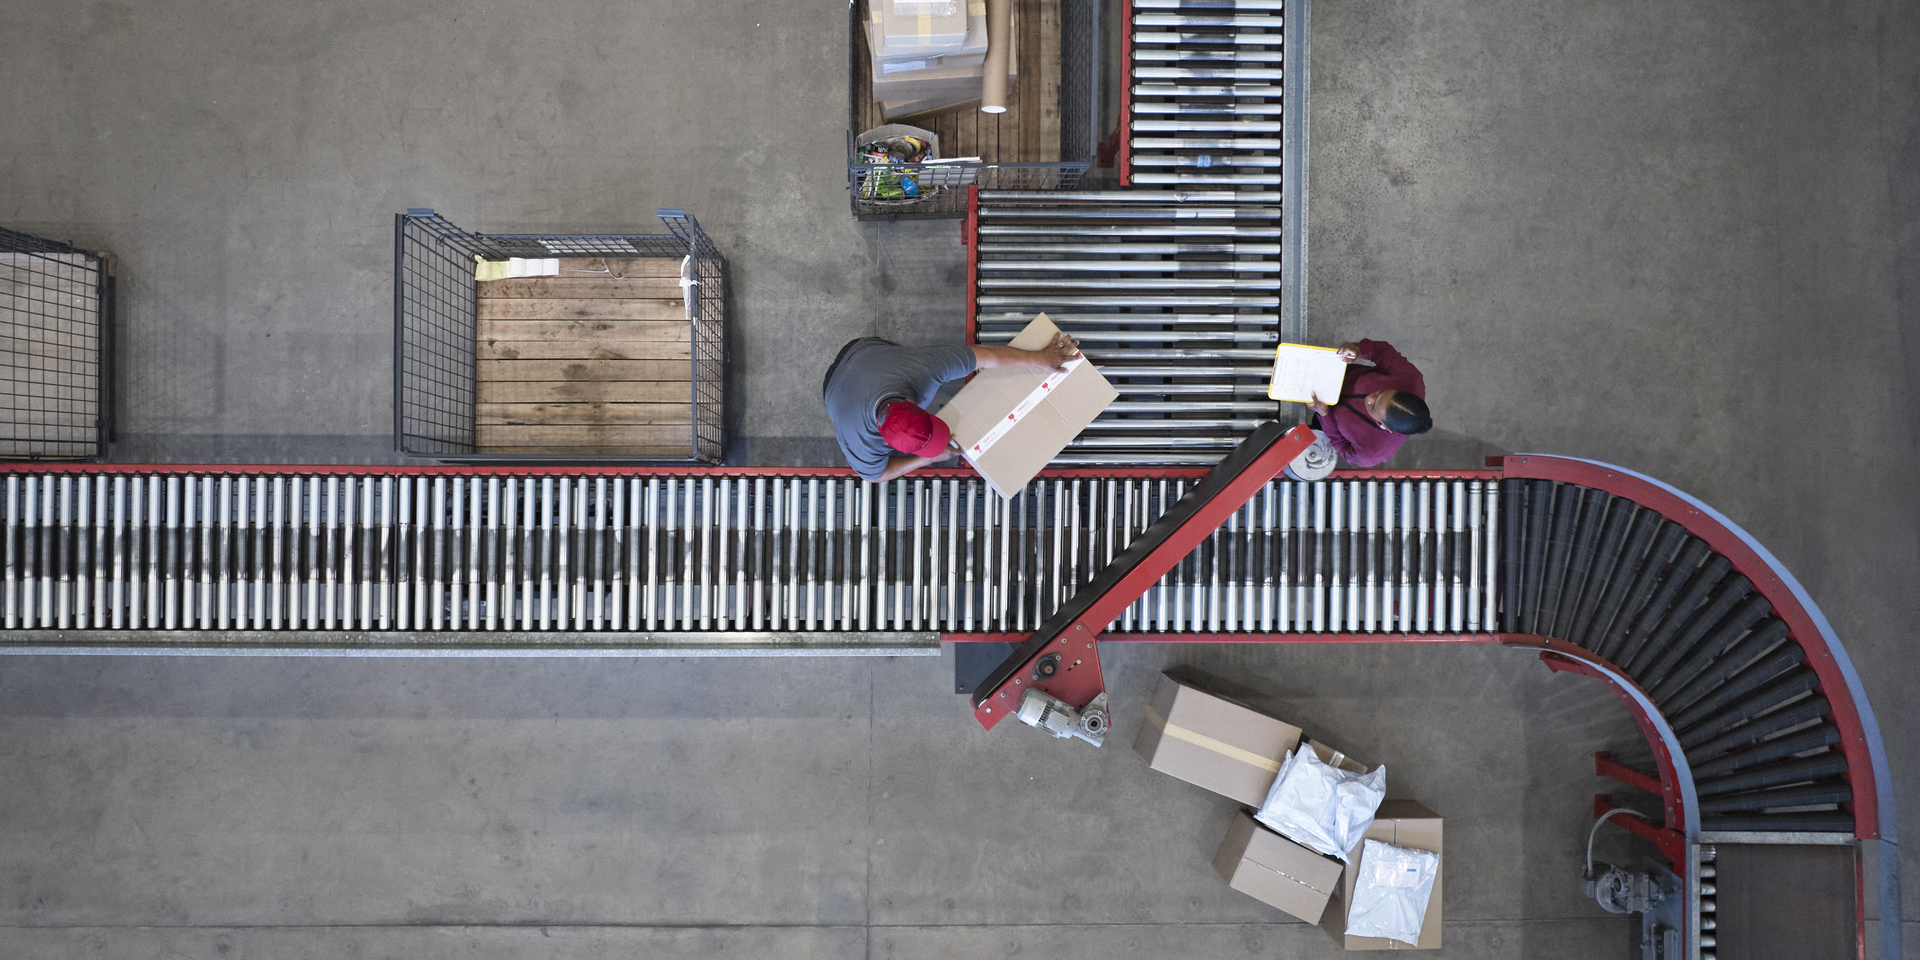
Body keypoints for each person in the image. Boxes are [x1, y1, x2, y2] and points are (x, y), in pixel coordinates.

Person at [822, 333, 1080, 482]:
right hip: (834, 389)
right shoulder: (860, 442)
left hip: (861, 351)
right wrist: (928, 458)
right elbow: (875, 475)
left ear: (913, 404)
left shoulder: (919, 367)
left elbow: (984, 355)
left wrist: (1040, 358)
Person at [1304, 339, 1432, 468]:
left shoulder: (1372, 453)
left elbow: (1343, 446)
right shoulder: (1409, 378)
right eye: (1380, 392)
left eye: (1373, 408)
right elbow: (1381, 351)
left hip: (1328, 418)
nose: (1369, 398)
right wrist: (1358, 350)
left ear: (1385, 427)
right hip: (1344, 376)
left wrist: (1324, 414)